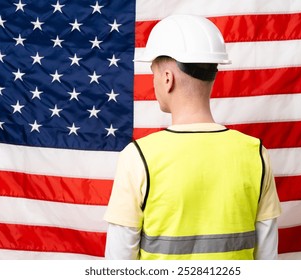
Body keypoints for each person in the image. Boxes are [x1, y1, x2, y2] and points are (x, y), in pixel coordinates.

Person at [104, 14, 281, 260]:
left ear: (168, 78)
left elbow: (118, 262)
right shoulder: (255, 153)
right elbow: (267, 258)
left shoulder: (138, 157)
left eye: (153, 73)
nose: (153, 82)